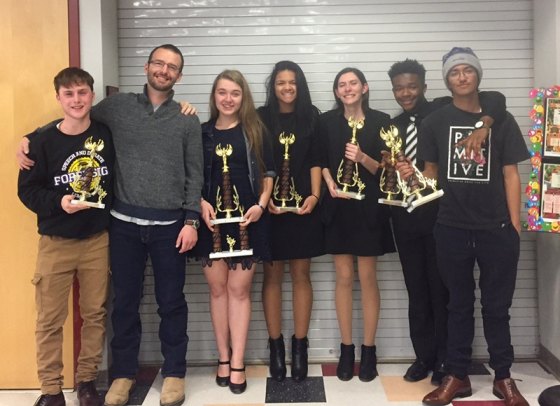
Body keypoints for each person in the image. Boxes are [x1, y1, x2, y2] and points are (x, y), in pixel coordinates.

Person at [17, 44, 203, 406]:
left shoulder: (187, 118)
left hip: (169, 227)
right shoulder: (116, 108)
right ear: (147, 66)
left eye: (173, 67)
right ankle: (122, 375)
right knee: (123, 305)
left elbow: (195, 172)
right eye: (159, 63)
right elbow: (73, 116)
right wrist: (29, 138)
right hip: (122, 226)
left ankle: (175, 373)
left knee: (172, 303)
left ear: (179, 76)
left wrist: (191, 219)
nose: (164, 71)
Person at [397, 47, 530, 406]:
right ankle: (457, 376)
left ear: (477, 75)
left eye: (467, 70)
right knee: (457, 304)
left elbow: (510, 174)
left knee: (497, 307)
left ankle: (504, 377)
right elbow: (431, 174)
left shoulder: (499, 118)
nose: (461, 76)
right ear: (445, 80)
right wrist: (411, 178)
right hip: (451, 227)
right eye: (454, 72)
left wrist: (514, 226)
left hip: (496, 228)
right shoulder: (435, 122)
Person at [386, 59, 506, 385]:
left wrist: (483, 125)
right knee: (417, 290)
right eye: (399, 87)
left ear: (425, 87)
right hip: (405, 215)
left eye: (412, 86)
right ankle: (422, 357)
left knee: (444, 292)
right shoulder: (391, 126)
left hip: (441, 217)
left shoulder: (442, 111)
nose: (406, 92)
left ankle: (445, 360)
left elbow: (496, 98)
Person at [18, 67, 114, 406]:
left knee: (95, 315)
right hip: (55, 242)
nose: (77, 100)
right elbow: (27, 192)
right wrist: (58, 202)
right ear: (58, 98)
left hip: (96, 241)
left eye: (82, 92)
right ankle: (51, 390)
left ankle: (87, 381)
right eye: (69, 94)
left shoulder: (106, 134)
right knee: (49, 320)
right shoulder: (42, 142)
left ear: (92, 96)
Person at [193, 70, 274, 394]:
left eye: (235, 93)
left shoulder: (255, 131)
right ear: (214, 96)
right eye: (222, 92)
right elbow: (192, 174)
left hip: (248, 219)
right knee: (217, 291)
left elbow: (268, 173)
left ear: (244, 97)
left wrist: (262, 205)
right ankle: (222, 358)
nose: (228, 98)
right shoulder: (201, 133)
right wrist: (199, 202)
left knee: (239, 291)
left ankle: (238, 361)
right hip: (211, 220)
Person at [319, 67, 395, 382]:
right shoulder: (326, 121)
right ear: (337, 92)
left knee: (367, 278)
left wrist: (363, 158)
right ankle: (347, 349)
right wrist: (330, 185)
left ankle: (369, 349)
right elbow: (320, 160)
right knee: (343, 277)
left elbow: (388, 171)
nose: (348, 89)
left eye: (353, 83)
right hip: (338, 207)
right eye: (341, 85)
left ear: (364, 88)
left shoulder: (381, 122)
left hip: (369, 209)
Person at [258, 61, 324, 382]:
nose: (287, 88)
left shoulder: (312, 116)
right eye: (281, 82)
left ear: (300, 85)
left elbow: (316, 159)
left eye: (292, 82)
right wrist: (263, 197)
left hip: (302, 210)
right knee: (271, 278)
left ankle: (300, 346)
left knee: (301, 275)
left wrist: (314, 195)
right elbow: (254, 159)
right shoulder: (259, 116)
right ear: (273, 86)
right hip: (269, 208)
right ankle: (276, 347)